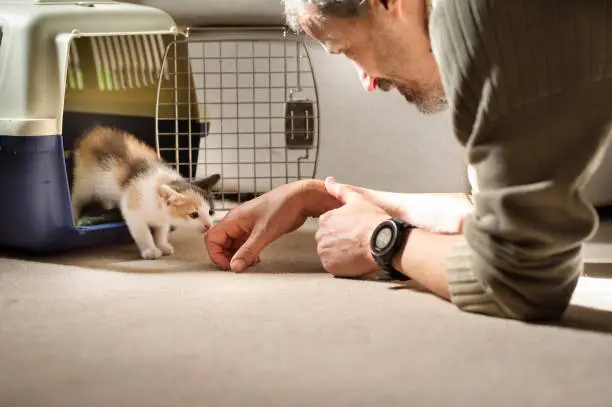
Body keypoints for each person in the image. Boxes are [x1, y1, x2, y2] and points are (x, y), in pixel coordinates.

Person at [205, 0, 612, 322]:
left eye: (347, 49)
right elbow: (497, 212)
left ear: (390, 4)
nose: (367, 82)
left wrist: (382, 240)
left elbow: (519, 279)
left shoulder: (482, 14)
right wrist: (321, 196)